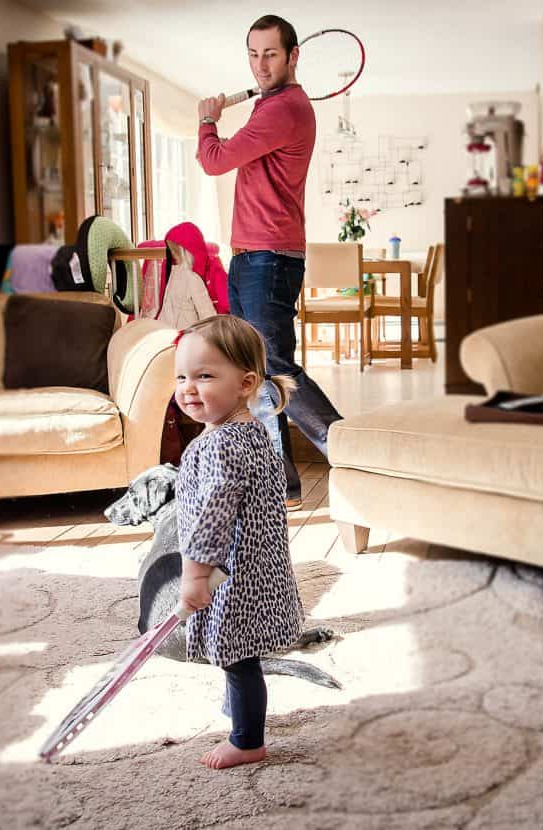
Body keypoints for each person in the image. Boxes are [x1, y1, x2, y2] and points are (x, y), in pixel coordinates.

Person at [197, 14, 342, 509]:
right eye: (253, 54)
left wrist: (207, 120)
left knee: (275, 368)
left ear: (294, 56)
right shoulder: (273, 107)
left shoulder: (285, 110)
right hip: (252, 257)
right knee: (257, 374)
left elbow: (215, 159)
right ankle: (279, 480)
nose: (261, 65)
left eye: (271, 54)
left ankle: (351, 452)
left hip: (269, 259)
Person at [174, 315, 304, 769]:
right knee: (240, 652)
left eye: (205, 376)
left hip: (234, 576)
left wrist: (195, 575)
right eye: (182, 376)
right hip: (259, 567)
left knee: (238, 658)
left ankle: (248, 740)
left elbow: (212, 517)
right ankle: (239, 708)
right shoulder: (254, 433)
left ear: (245, 382)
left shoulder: (221, 446)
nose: (189, 388)